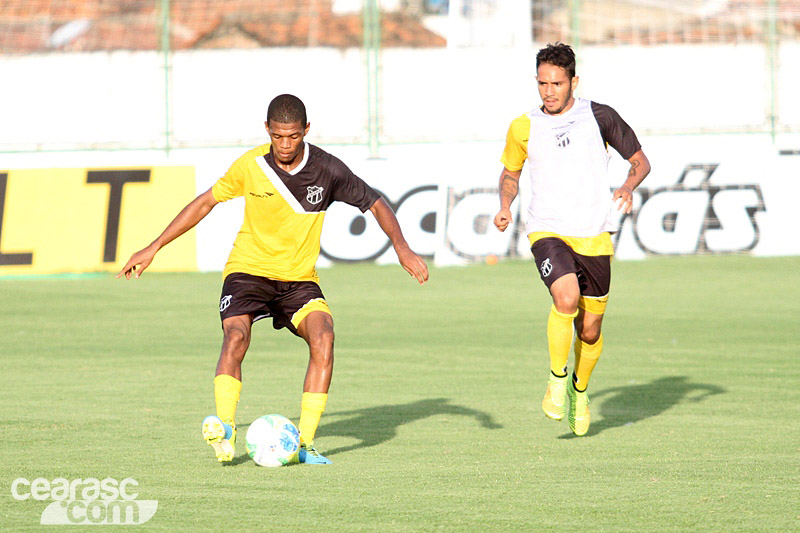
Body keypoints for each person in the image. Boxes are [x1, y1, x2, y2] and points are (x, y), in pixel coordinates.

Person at [118, 94, 429, 464]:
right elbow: (204, 203)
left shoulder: (328, 170)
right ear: (267, 129)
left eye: (293, 137)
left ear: (306, 131)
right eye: (278, 136)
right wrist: (154, 247)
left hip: (298, 279)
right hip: (248, 270)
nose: (285, 145)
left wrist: (402, 248)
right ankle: (226, 429)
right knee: (236, 335)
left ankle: (306, 445)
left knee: (325, 337)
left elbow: (375, 202)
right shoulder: (250, 165)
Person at [493, 43, 650, 436]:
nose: (549, 91)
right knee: (565, 299)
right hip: (547, 230)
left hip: (595, 236)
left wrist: (629, 187)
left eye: (557, 83)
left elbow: (640, 162)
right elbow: (510, 174)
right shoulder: (523, 126)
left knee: (591, 330)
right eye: (543, 83)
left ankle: (581, 390)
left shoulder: (600, 116)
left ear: (573, 81)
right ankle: (556, 380)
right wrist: (506, 205)